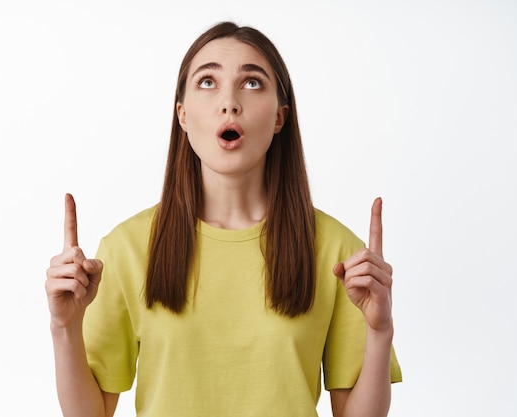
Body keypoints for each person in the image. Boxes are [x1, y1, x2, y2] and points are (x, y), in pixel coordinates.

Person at [45, 21, 402, 417]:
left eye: (252, 83)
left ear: (281, 117)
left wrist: (379, 330)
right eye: (207, 82)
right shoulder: (126, 250)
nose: (229, 102)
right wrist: (65, 328)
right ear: (182, 114)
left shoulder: (336, 252)